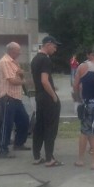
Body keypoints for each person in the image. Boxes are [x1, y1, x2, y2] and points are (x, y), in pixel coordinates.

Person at [30, 36, 63, 167]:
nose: (55, 49)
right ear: (48, 44)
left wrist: (51, 86)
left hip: (39, 96)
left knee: (39, 126)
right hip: (47, 98)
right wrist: (54, 95)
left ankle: (37, 156)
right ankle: (50, 158)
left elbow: (38, 80)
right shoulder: (45, 60)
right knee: (51, 128)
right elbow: (44, 80)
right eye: (54, 46)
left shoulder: (35, 59)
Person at [0, 42, 30, 158]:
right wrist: (24, 81)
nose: (20, 53)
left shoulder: (14, 62)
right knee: (7, 124)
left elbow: (19, 76)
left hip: (16, 97)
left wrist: (21, 75)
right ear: (11, 51)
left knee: (24, 120)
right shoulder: (5, 61)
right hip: (7, 96)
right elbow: (11, 80)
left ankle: (19, 143)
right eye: (18, 51)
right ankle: (2, 149)